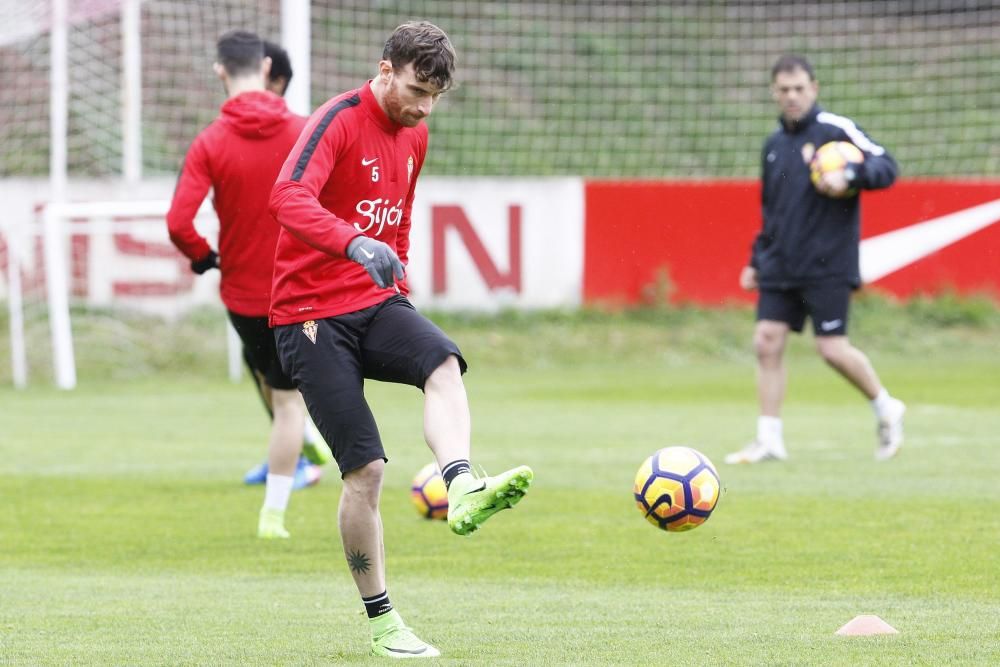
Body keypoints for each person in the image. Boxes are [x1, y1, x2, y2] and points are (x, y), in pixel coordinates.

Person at [268, 21, 533, 658]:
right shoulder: (337, 119)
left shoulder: (415, 133)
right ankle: (384, 621)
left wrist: (398, 284)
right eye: (416, 90)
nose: (423, 107)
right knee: (367, 472)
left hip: (372, 301)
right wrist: (351, 241)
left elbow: (400, 216)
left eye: (435, 97)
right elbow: (286, 195)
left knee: (443, 359)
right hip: (307, 313)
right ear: (385, 70)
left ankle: (463, 484)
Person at [166, 30, 330, 540]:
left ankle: (295, 461)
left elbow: (178, 222)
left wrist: (203, 256)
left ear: (221, 72)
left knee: (275, 388)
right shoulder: (305, 132)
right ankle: (275, 510)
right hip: (299, 291)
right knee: (285, 399)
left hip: (242, 295)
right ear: (265, 68)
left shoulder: (210, 142)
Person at [726, 54, 905, 466]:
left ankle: (885, 406)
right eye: (784, 90)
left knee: (831, 349)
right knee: (766, 341)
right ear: (774, 92)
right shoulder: (773, 146)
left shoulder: (836, 132)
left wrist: (852, 177)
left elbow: (887, 166)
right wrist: (757, 258)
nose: (792, 96)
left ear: (814, 88)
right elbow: (771, 210)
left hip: (828, 261)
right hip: (780, 263)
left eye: (799, 88)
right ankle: (769, 438)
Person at [240, 39, 332, 488]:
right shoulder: (231, 135)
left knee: (286, 388)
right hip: (252, 285)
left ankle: (293, 468)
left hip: (287, 286)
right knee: (265, 376)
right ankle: (295, 448)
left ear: (271, 75)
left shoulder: (308, 134)